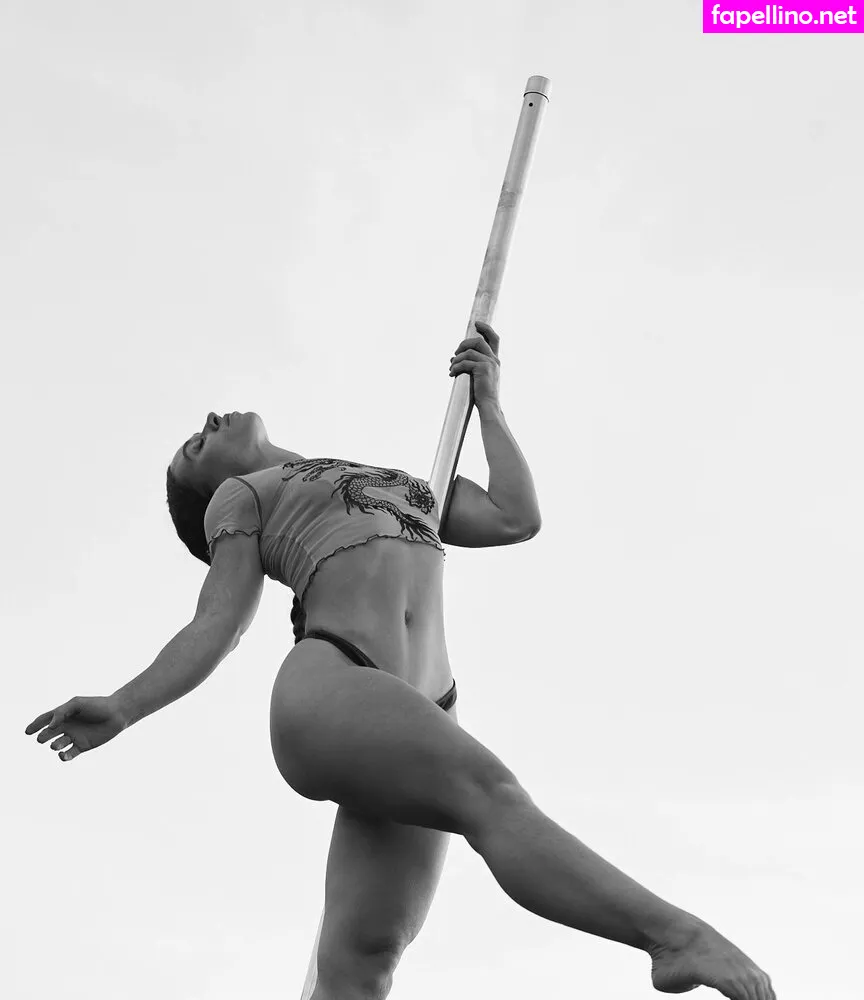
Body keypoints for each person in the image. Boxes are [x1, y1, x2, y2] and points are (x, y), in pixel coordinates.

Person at [26, 322, 776, 1000]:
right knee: (493, 797)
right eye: (196, 445)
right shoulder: (243, 497)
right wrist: (124, 704)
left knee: (361, 965)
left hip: (421, 707)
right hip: (337, 681)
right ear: (209, 491)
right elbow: (217, 623)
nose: (210, 420)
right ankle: (675, 939)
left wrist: (490, 403)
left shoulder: (407, 484)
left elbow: (515, 517)